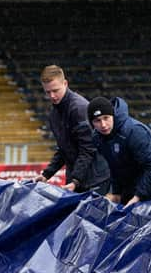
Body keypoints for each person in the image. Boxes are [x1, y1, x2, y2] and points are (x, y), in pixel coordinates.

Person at [88, 96, 151, 208]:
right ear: (92, 123)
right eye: (97, 121)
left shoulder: (133, 131)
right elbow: (115, 167)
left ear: (113, 115)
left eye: (106, 118)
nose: (103, 125)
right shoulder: (97, 139)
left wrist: (138, 196)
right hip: (139, 182)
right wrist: (117, 193)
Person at [33, 65, 110, 194]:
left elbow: (88, 149)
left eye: (55, 90)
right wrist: (46, 174)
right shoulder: (54, 113)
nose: (52, 96)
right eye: (47, 92)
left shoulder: (79, 109)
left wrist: (75, 180)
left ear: (65, 83)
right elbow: (63, 149)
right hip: (76, 179)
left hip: (95, 180)